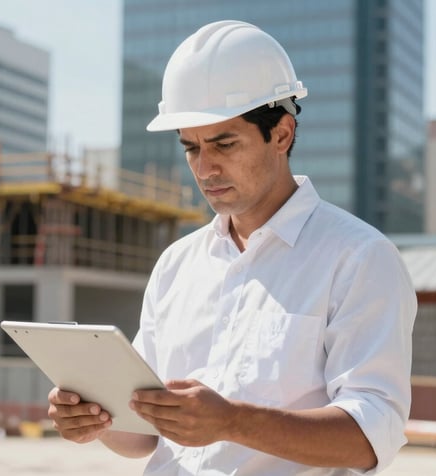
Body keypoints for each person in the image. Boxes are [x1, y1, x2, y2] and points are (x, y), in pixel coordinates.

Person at [48, 20, 416, 475]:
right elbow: (143, 434)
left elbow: (370, 437)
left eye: (224, 144)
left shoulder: (359, 258)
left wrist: (233, 422)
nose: (205, 169)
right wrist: (96, 420)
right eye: (191, 149)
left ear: (281, 134)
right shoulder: (176, 265)